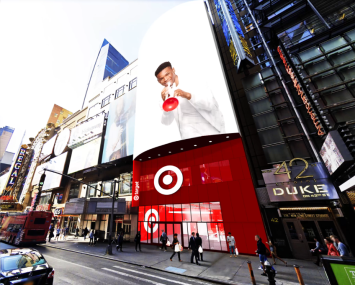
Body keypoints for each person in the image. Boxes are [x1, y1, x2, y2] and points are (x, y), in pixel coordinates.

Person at [156, 61, 225, 140]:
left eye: (167, 74)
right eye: (161, 78)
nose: (165, 79)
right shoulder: (164, 95)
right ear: (158, 81)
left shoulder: (192, 80)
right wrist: (165, 105)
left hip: (211, 133)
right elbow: (166, 122)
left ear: (173, 70)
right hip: (189, 138)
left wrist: (188, 95)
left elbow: (210, 105)